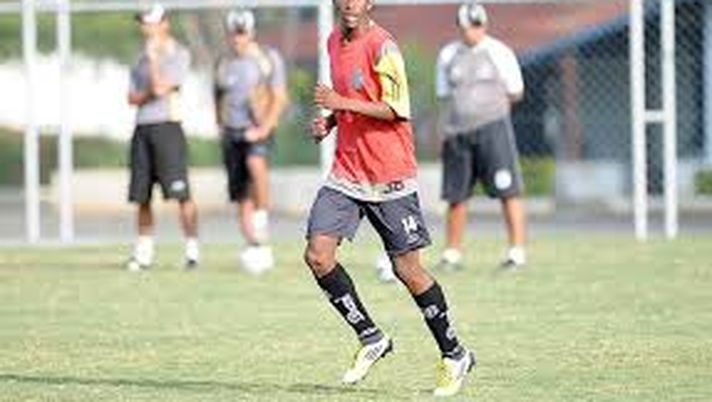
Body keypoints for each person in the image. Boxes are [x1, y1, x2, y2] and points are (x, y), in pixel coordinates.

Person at [305, 0, 475, 396]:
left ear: (370, 3)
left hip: (390, 176)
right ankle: (371, 336)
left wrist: (339, 104)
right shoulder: (333, 41)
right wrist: (330, 122)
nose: (349, 3)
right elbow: (353, 95)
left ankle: (455, 354)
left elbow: (397, 108)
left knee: (408, 271)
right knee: (318, 255)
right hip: (347, 172)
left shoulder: (384, 47)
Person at [435, 2, 527, 270]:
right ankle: (452, 253)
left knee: (508, 189)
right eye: (467, 27)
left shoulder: (499, 52)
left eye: (476, 26)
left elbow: (515, 91)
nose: (472, 32)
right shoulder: (449, 55)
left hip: (493, 129)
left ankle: (516, 251)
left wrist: (490, 111)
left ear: (484, 25)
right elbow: (444, 94)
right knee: (456, 195)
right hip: (458, 133)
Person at [125, 4, 200, 271]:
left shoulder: (179, 54)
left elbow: (160, 87)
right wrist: (148, 90)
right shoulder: (139, 58)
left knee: (181, 194)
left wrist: (154, 58)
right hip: (142, 129)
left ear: (164, 24)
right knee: (141, 195)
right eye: (144, 22)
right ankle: (143, 254)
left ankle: (192, 251)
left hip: (168, 128)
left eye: (151, 22)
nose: (146, 27)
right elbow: (131, 98)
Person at [214, 9, 288, 273]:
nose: (238, 38)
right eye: (234, 33)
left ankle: (261, 219)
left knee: (256, 164)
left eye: (242, 32)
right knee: (241, 193)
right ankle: (255, 245)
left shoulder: (267, 59)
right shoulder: (223, 62)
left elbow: (279, 97)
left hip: (257, 129)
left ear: (251, 32)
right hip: (232, 132)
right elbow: (217, 96)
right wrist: (220, 125)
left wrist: (265, 127)